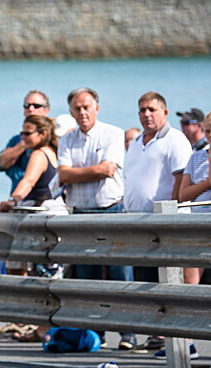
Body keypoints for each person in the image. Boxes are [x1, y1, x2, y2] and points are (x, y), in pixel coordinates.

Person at [57, 87, 136, 350]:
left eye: (86, 107)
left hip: (110, 211)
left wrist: (78, 173)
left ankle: (128, 333)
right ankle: (95, 333)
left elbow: (108, 169)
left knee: (119, 274)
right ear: (71, 111)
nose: (82, 112)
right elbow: (64, 176)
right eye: (77, 108)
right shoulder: (66, 140)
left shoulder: (112, 133)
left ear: (96, 108)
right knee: (88, 277)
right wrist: (92, 171)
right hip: (80, 215)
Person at [123, 92, 192, 354]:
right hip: (138, 222)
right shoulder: (137, 141)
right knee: (147, 279)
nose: (146, 114)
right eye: (142, 110)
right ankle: (155, 330)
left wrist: (170, 219)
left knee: (166, 279)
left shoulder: (175, 139)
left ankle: (168, 333)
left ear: (164, 112)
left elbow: (179, 180)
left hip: (163, 224)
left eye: (152, 109)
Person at [0, 115, 64, 342]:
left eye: (28, 133)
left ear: (42, 134)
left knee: (43, 275)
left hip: (40, 218)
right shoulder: (54, 153)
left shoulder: (39, 154)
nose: (23, 138)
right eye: (22, 132)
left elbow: (28, 181)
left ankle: (43, 329)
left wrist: (13, 201)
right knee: (49, 274)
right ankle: (44, 327)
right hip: (54, 215)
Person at [172, 109, 211, 360]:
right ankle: (188, 341)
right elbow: (183, 195)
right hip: (198, 224)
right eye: (207, 131)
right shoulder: (196, 157)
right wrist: (206, 180)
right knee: (189, 282)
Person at [0, 90, 51, 193]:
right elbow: (0, 163)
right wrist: (25, 143)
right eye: (27, 105)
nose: (30, 109)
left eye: (36, 106)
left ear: (46, 110)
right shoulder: (17, 140)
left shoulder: (55, 138)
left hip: (45, 199)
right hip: (20, 199)